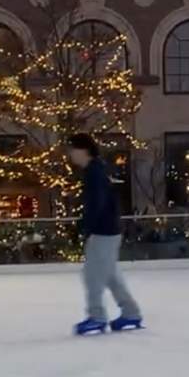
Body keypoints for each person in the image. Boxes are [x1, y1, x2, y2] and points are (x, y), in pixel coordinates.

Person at [70, 133, 143, 335]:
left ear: (83, 150)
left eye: (72, 149)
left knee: (92, 275)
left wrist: (86, 225)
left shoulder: (94, 172)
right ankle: (131, 313)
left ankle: (97, 317)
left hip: (102, 231)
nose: (70, 154)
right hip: (108, 230)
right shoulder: (96, 170)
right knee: (109, 275)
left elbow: (98, 203)